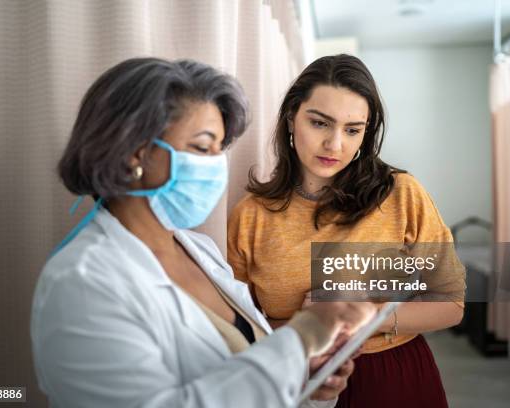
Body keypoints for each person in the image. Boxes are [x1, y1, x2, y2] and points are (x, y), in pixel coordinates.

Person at [30, 57, 378, 408]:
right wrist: (302, 337)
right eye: (201, 147)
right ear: (133, 152)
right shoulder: (80, 283)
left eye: (219, 150)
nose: (215, 167)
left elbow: (250, 367)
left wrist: (307, 378)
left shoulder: (199, 250)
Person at [227, 54, 466, 408]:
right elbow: (241, 329)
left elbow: (451, 304)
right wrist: (309, 326)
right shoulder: (250, 216)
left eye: (352, 130)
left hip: (393, 377)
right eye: (320, 123)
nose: (335, 144)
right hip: (295, 379)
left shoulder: (401, 194)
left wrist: (366, 317)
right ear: (292, 117)